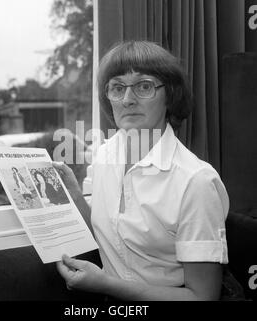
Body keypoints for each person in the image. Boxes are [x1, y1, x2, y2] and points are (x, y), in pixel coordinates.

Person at [53, 40, 229, 301]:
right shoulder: (104, 155)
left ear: (170, 95)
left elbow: (203, 297)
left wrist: (107, 286)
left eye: (144, 86)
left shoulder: (196, 181)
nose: (127, 100)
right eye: (117, 87)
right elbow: (112, 237)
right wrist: (75, 196)